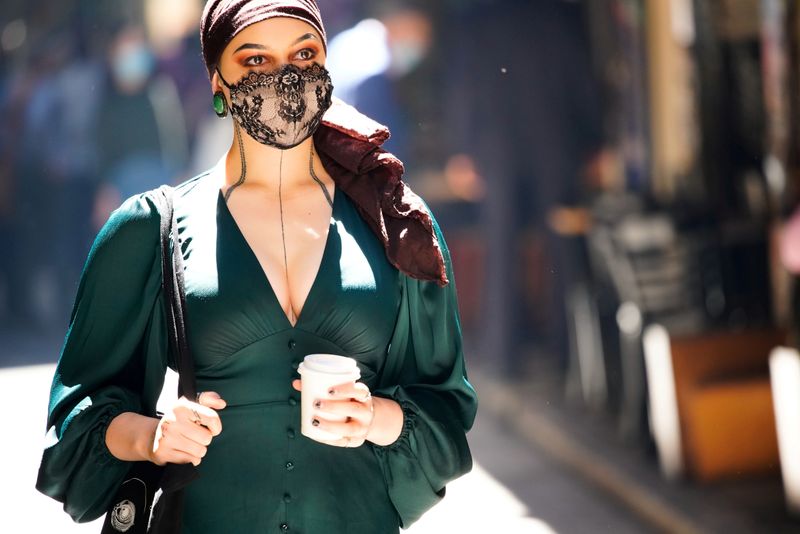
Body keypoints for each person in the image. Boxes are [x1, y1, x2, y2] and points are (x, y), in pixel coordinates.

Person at [35, 1, 477, 533]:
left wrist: (379, 418)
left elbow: (446, 412)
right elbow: (77, 417)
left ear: (327, 68)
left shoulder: (398, 223)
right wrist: (151, 436)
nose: (286, 76)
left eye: (304, 53)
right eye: (255, 60)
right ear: (217, 83)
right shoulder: (151, 227)